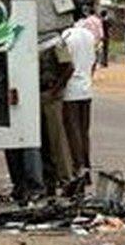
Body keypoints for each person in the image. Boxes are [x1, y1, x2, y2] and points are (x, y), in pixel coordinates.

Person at [37, 34, 75, 196]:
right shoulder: (32, 39)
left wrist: (55, 90)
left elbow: (69, 67)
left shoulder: (55, 41)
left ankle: (66, 179)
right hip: (37, 94)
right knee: (42, 141)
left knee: (56, 139)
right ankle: (48, 181)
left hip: (50, 94)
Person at [62, 24, 97, 185]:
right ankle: (86, 168)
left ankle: (78, 168)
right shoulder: (89, 36)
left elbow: (67, 66)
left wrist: (57, 88)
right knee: (84, 132)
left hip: (71, 90)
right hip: (86, 88)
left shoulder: (66, 36)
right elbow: (94, 62)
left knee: (72, 132)